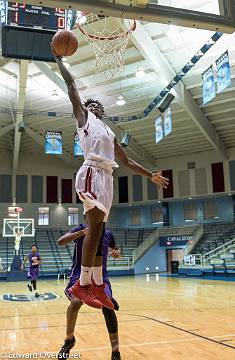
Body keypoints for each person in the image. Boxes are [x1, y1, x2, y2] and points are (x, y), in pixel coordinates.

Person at [52, 47, 169, 309]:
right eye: (88, 104)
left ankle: (97, 284)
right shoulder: (84, 120)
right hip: (91, 171)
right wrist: (59, 61)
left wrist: (150, 175)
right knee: (94, 229)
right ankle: (82, 284)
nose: (91, 106)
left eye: (95, 105)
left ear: (102, 111)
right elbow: (71, 84)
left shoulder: (108, 131)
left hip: (107, 177)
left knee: (101, 230)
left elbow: (126, 162)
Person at [57, 224, 121, 360]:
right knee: (76, 302)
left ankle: (115, 351)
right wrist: (81, 233)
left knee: (108, 307)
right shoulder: (80, 228)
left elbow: (115, 249)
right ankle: (69, 339)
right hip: (79, 275)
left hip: (100, 277)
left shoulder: (108, 234)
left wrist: (116, 253)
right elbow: (61, 241)